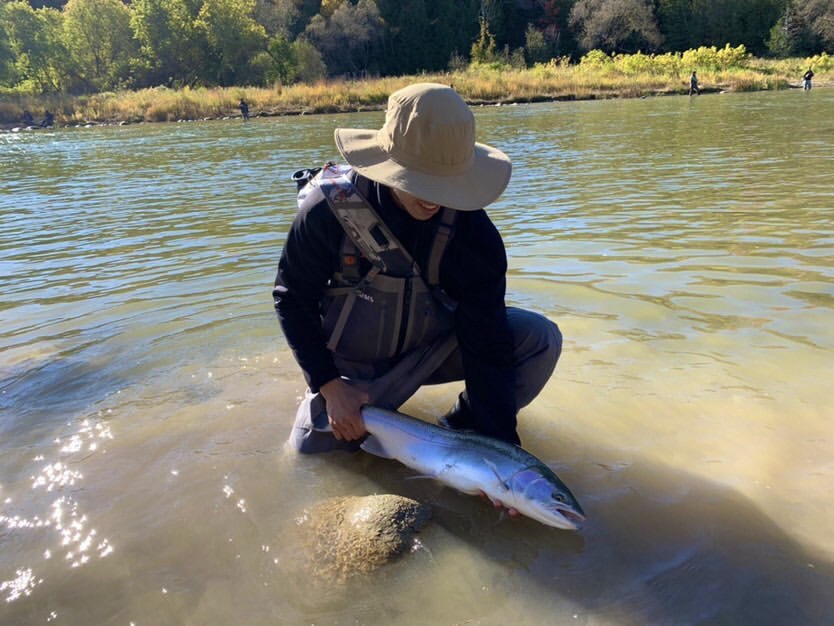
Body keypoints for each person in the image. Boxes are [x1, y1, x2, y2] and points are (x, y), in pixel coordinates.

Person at [273, 82, 563, 455]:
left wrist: (497, 444)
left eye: (446, 184)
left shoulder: (474, 232)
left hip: (429, 352)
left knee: (539, 338)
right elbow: (291, 297)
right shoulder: (326, 209)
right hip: (351, 370)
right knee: (310, 453)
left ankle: (460, 428)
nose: (435, 198)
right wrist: (328, 384)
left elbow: (486, 338)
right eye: (422, 182)